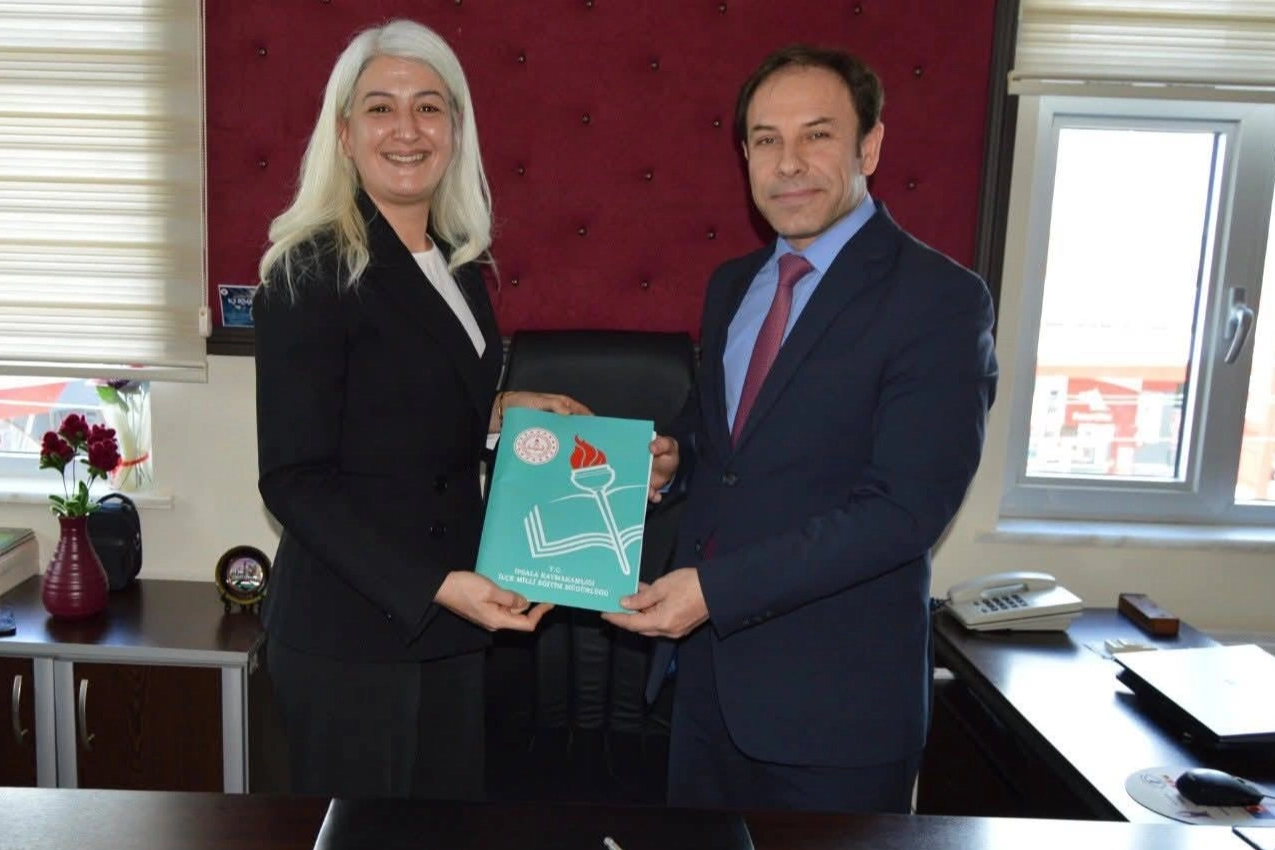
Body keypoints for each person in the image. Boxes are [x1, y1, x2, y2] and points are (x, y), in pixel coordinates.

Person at [606, 45, 999, 813]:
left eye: (816, 135)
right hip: (702, 691)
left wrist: (715, 592)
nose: (788, 162)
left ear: (869, 147)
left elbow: (903, 512)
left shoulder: (939, 300)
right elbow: (726, 441)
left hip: (835, 713)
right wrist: (674, 457)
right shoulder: (732, 285)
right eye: (765, 140)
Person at [253, 19, 588, 799]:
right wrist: (436, 583)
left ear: (455, 129)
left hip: (453, 619)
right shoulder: (309, 273)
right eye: (380, 108)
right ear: (344, 134)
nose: (406, 129)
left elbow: (395, 404)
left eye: (428, 107)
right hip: (354, 636)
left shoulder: (456, 261)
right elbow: (294, 479)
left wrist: (498, 411)